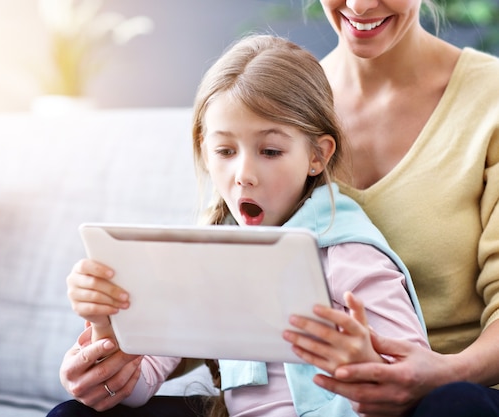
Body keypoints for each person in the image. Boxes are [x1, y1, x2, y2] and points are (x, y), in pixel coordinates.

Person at [47, 34, 429, 417]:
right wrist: (105, 325)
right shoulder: (202, 256)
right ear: (204, 151)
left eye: (270, 151)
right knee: (72, 414)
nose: (244, 175)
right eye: (225, 151)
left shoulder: (350, 254)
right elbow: (137, 387)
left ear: (317, 155)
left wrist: (368, 369)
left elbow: (413, 384)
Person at [283, 0, 499, 416]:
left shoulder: (490, 98)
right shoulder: (280, 104)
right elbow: (227, 270)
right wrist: (138, 351)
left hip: (463, 392)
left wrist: (444, 372)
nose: (361, 5)